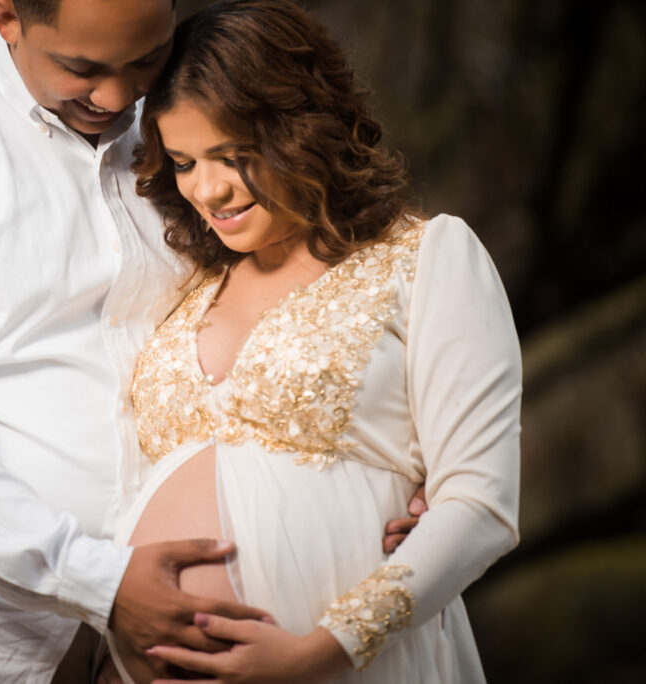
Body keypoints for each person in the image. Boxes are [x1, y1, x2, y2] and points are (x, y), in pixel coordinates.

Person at [0, 0, 425, 682]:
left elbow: (290, 325)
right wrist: (104, 584)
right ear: (7, 15)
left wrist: (404, 479)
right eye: (80, 67)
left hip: (112, 650)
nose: (115, 96)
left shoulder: (187, 148)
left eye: (144, 61)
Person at [98, 1, 522, 682]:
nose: (208, 189)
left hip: (344, 664)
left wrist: (321, 650)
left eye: (232, 156)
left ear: (301, 129)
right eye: (182, 161)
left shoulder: (425, 258)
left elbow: (481, 504)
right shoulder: (186, 282)